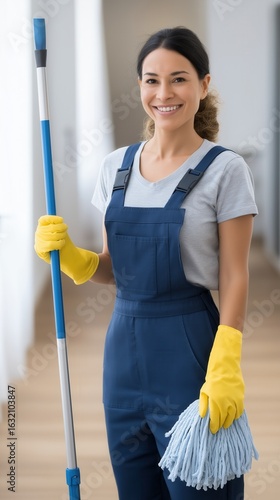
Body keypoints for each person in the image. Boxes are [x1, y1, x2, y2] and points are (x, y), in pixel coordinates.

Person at [35, 27, 258, 499]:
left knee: (199, 489)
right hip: (122, 356)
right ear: (139, 87)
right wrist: (73, 259)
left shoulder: (225, 170)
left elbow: (235, 275)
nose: (164, 93)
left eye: (178, 79)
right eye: (151, 80)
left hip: (191, 350)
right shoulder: (116, 167)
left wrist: (226, 362)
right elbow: (114, 269)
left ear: (203, 84)